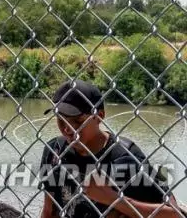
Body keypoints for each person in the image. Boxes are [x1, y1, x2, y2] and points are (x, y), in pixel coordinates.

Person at [38, 79, 182, 218]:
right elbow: (49, 212)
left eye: (77, 121)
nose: (67, 129)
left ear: (99, 116)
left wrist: (113, 199)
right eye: (60, 119)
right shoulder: (55, 150)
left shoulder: (125, 157)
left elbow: (174, 213)